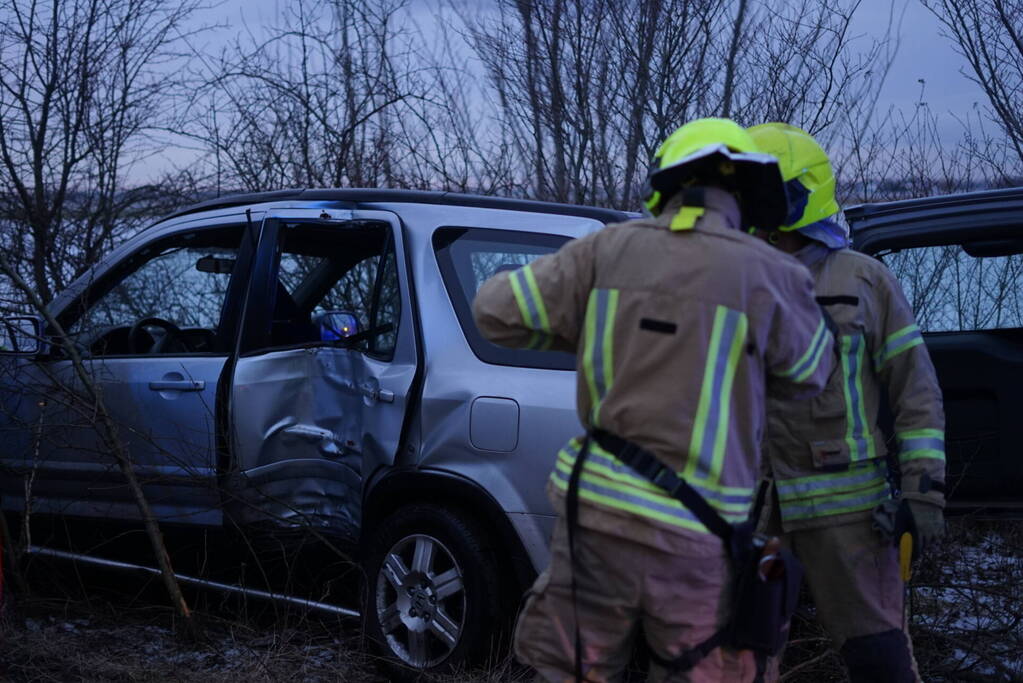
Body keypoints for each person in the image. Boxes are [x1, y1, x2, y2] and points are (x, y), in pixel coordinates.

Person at [473, 118, 835, 682]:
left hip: (594, 518)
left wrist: (584, 324)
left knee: (571, 669)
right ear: (744, 196)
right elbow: (813, 373)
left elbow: (493, 310)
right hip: (698, 537)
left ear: (665, 184)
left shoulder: (605, 250)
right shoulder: (773, 275)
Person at [746, 122, 946, 683]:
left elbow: (916, 389)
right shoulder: (730, 280)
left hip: (853, 519)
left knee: (881, 661)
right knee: (740, 662)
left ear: (801, 194)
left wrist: (921, 492)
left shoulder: (864, 281)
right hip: (753, 511)